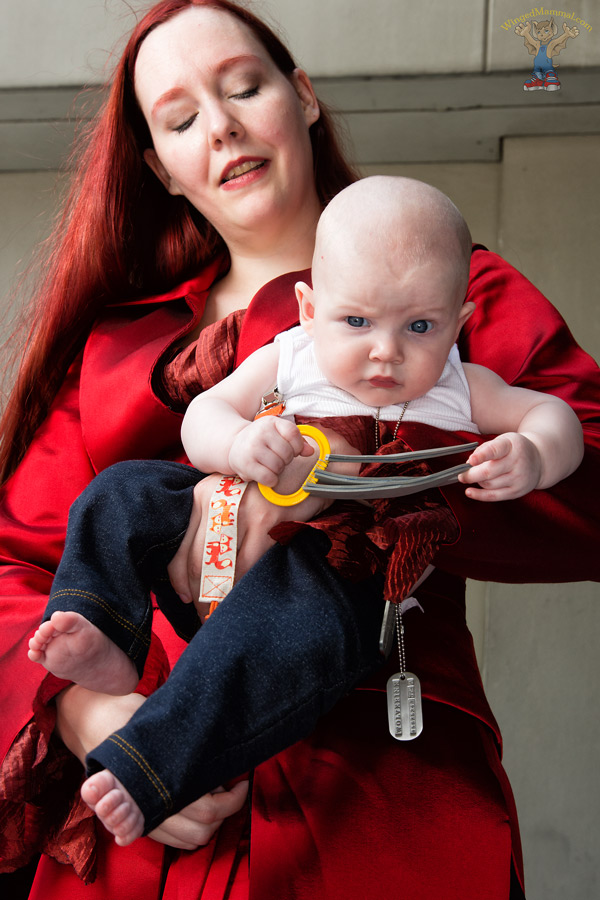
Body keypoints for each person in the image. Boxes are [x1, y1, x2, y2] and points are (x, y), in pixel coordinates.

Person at [0, 2, 598, 898]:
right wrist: (93, 712)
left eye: (245, 86)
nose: (225, 126)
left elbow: (583, 465)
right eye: (180, 118)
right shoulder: (116, 352)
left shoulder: (456, 293)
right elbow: (15, 565)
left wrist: (386, 476)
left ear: (304, 95)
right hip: (150, 805)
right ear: (160, 167)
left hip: (378, 787)